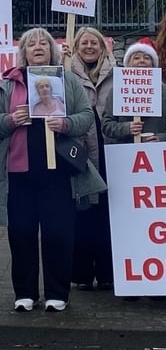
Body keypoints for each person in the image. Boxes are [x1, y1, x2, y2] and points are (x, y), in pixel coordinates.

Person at [0, 28, 95, 312]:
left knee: (58, 233)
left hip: (57, 171)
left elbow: (86, 115)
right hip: (19, 172)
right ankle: (24, 293)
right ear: (24, 51)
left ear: (53, 50)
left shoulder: (66, 80)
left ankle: (57, 293)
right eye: (32, 44)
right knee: (21, 233)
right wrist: (10, 119)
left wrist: (65, 123)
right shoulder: (8, 84)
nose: (38, 46)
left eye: (44, 42)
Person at [68, 26, 116, 292]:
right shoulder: (66, 74)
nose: (89, 47)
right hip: (82, 155)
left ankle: (108, 272)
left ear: (102, 47)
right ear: (76, 47)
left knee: (109, 216)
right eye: (84, 42)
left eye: (94, 43)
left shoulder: (118, 75)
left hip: (111, 152)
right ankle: (83, 274)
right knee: (84, 215)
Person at [101, 43, 166, 144]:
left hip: (158, 151)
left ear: (153, 64)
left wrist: (161, 137)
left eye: (147, 58)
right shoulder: (117, 91)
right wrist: (126, 128)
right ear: (128, 64)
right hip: (125, 151)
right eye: (136, 58)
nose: (141, 61)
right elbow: (106, 125)